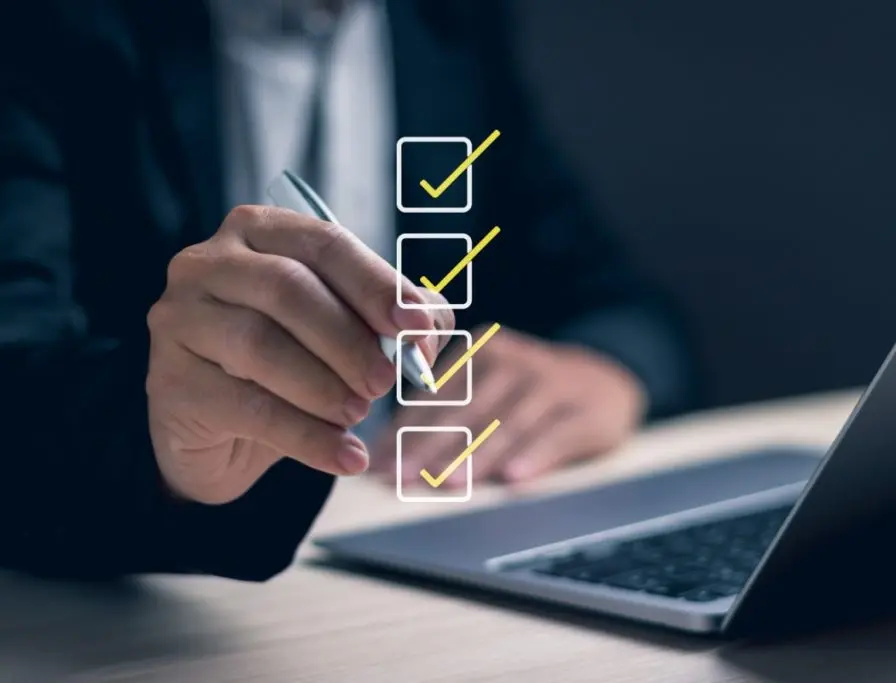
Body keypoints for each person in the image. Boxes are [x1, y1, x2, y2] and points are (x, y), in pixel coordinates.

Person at [0, 0, 692, 581]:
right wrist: (169, 448)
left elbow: (621, 301)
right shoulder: (46, 25)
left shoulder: (443, 23)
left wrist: (604, 371)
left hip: (417, 528)